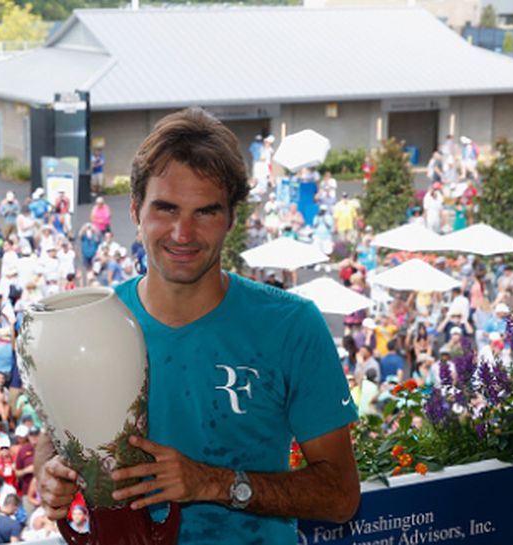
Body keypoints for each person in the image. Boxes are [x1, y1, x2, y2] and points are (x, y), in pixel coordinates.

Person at [35, 108, 360, 543]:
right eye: (165, 209)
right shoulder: (95, 322)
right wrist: (49, 474)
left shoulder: (291, 326)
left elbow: (340, 497)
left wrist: (213, 483)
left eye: (205, 212)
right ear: (135, 210)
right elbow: (53, 439)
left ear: (230, 218)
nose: (182, 233)